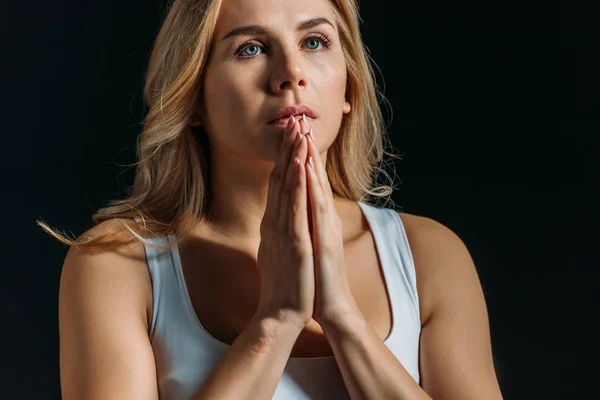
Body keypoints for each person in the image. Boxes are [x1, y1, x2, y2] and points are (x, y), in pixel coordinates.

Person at [39, 0, 504, 398]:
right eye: (251, 48)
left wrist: (343, 320)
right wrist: (275, 322)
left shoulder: (430, 254)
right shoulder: (116, 265)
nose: (291, 74)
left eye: (315, 42)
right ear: (193, 96)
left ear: (349, 86)